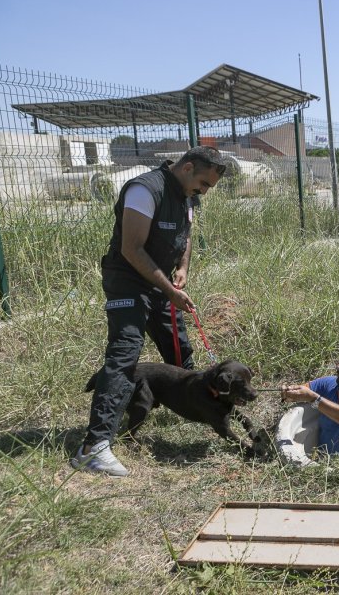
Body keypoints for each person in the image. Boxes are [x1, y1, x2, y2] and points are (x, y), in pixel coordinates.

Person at [71, 146, 227, 477]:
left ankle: (190, 404)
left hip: (160, 282)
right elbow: (131, 248)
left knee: (178, 345)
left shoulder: (187, 195)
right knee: (125, 353)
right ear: (186, 168)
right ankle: (93, 448)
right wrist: (171, 290)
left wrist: (181, 269)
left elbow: (185, 236)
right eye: (203, 183)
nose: (204, 191)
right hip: (127, 281)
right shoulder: (145, 190)